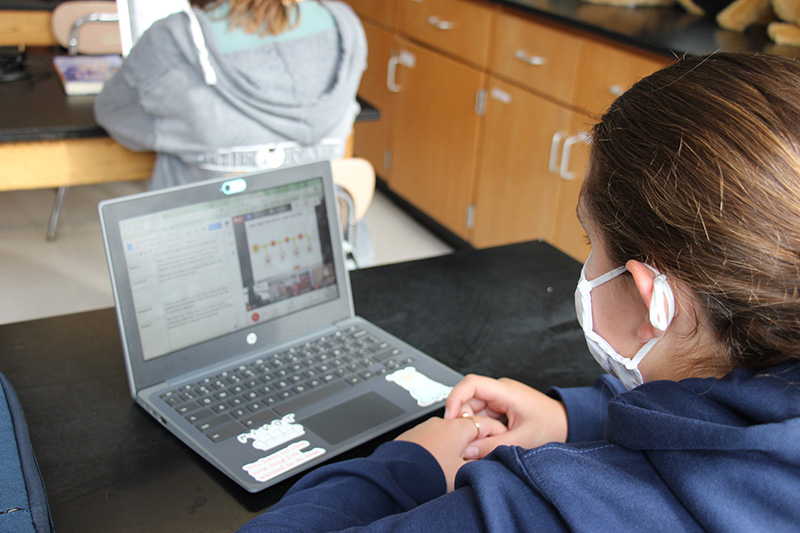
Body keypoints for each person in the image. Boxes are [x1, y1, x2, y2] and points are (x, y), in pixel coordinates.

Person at [237, 52, 800, 531]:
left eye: (590, 239)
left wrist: (414, 464)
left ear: (652, 300)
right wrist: (574, 416)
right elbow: (727, 417)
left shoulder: (541, 508)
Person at [94, 0, 370, 264]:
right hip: (323, 259)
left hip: (208, 271)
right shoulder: (345, 26)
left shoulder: (172, 38)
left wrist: (175, 131)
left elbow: (114, 114)